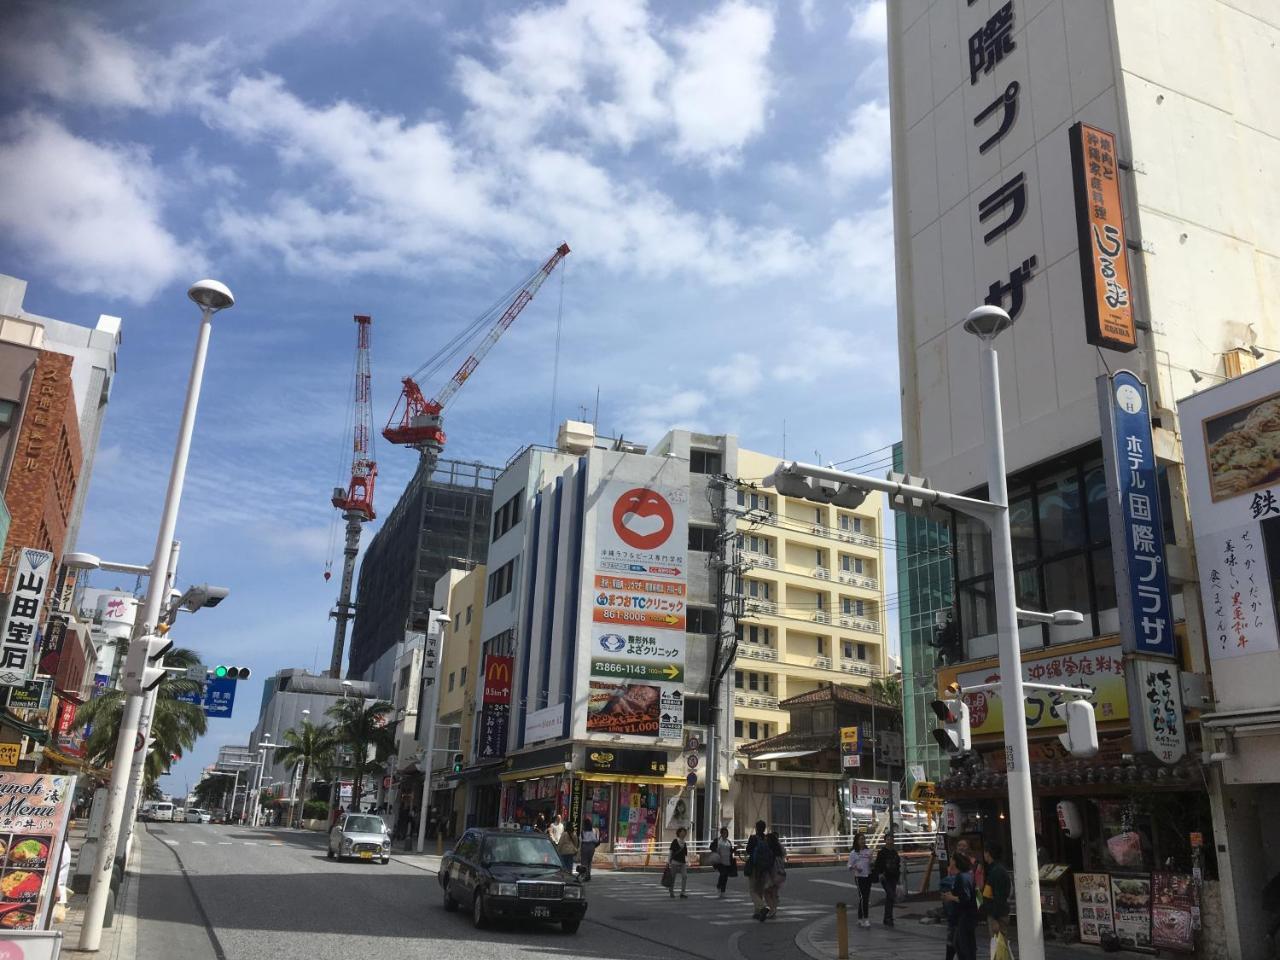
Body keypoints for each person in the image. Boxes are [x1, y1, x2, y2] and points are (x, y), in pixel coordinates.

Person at [942, 852, 979, 960]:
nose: (951, 861)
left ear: (955, 862)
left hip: (965, 916)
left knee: (964, 946)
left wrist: (951, 897)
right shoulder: (968, 875)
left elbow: (965, 898)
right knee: (960, 944)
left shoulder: (962, 877)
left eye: (952, 859)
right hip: (966, 916)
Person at [745, 820, 777, 921]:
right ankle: (757, 912)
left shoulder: (753, 838)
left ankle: (762, 907)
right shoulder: (767, 838)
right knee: (759, 889)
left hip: (754, 866)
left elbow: (748, 850)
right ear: (764, 828)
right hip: (765, 868)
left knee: (752, 890)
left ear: (756, 828)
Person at [871, 833, 901, 927]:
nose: (890, 841)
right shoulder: (882, 852)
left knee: (890, 897)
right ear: (885, 841)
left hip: (893, 877)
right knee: (890, 895)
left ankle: (888, 917)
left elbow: (897, 865)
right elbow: (877, 865)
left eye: (891, 839)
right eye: (888, 839)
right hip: (885, 877)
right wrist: (879, 874)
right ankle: (888, 917)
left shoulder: (895, 852)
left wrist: (898, 878)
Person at [982, 842, 1012, 938]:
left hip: (997, 914)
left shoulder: (997, 871)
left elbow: (999, 896)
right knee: (999, 946)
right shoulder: (997, 869)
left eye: (985, 852)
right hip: (999, 912)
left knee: (999, 947)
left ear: (988, 853)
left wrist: (995, 918)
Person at [847, 832, 873, 928]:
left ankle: (859, 918)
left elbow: (871, 864)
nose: (863, 841)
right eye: (861, 839)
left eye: (864, 839)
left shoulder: (868, 851)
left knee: (864, 898)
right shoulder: (854, 853)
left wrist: (871, 861)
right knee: (863, 898)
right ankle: (865, 919)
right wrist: (855, 867)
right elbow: (849, 866)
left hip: (868, 876)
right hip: (859, 877)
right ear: (857, 841)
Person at [762, 831, 786, 918]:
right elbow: (784, 855)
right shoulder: (779, 850)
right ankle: (774, 909)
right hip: (780, 874)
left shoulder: (769, 850)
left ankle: (772, 909)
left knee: (766, 892)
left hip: (772, 874)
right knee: (774, 892)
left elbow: (769, 864)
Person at [712, 827, 737, 898]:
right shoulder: (718, 841)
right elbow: (711, 847)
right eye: (724, 833)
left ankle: (723, 891)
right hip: (719, 861)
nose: (725, 834)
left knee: (725, 876)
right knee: (723, 874)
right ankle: (719, 886)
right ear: (721, 833)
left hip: (727, 861)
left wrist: (735, 849)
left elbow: (730, 851)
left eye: (726, 833)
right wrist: (716, 850)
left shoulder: (728, 842)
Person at [668, 827, 689, 898]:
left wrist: (688, 861)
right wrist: (668, 861)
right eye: (682, 832)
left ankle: (683, 893)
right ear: (679, 833)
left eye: (684, 832)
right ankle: (671, 891)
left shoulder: (685, 843)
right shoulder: (675, 841)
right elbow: (671, 851)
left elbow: (686, 854)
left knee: (685, 876)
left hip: (683, 862)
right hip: (674, 862)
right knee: (673, 877)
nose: (683, 834)